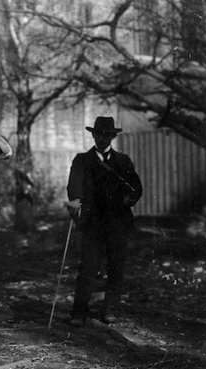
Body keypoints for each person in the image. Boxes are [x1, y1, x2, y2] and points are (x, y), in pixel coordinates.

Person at [66, 116, 143, 327]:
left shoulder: (123, 161)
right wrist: (74, 200)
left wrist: (130, 199)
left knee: (116, 266)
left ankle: (110, 309)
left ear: (112, 136)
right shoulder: (82, 160)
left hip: (118, 222)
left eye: (106, 135)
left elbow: (136, 187)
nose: (102, 138)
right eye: (98, 134)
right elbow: (74, 184)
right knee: (88, 267)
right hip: (93, 223)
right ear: (93, 135)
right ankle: (79, 311)